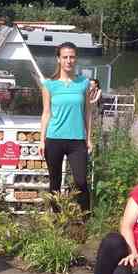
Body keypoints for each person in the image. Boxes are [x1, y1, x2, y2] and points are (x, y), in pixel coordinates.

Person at [39, 42, 93, 213]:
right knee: (54, 182)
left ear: (75, 59)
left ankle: (84, 218)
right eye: (65, 57)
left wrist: (88, 138)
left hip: (77, 140)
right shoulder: (49, 84)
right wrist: (42, 140)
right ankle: (56, 220)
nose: (69, 61)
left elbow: (87, 113)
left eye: (72, 57)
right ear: (58, 59)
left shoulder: (84, 83)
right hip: (54, 138)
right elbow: (46, 113)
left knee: (81, 181)